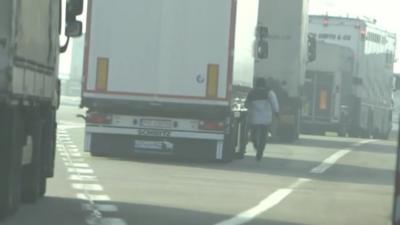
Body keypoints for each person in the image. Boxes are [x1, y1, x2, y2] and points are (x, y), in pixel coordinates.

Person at [245, 77, 280, 161]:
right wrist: (276, 112)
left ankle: (256, 146)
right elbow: (274, 103)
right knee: (264, 137)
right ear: (265, 84)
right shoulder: (269, 93)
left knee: (253, 135)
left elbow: (246, 104)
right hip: (266, 119)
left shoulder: (252, 93)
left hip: (254, 119)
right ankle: (261, 150)